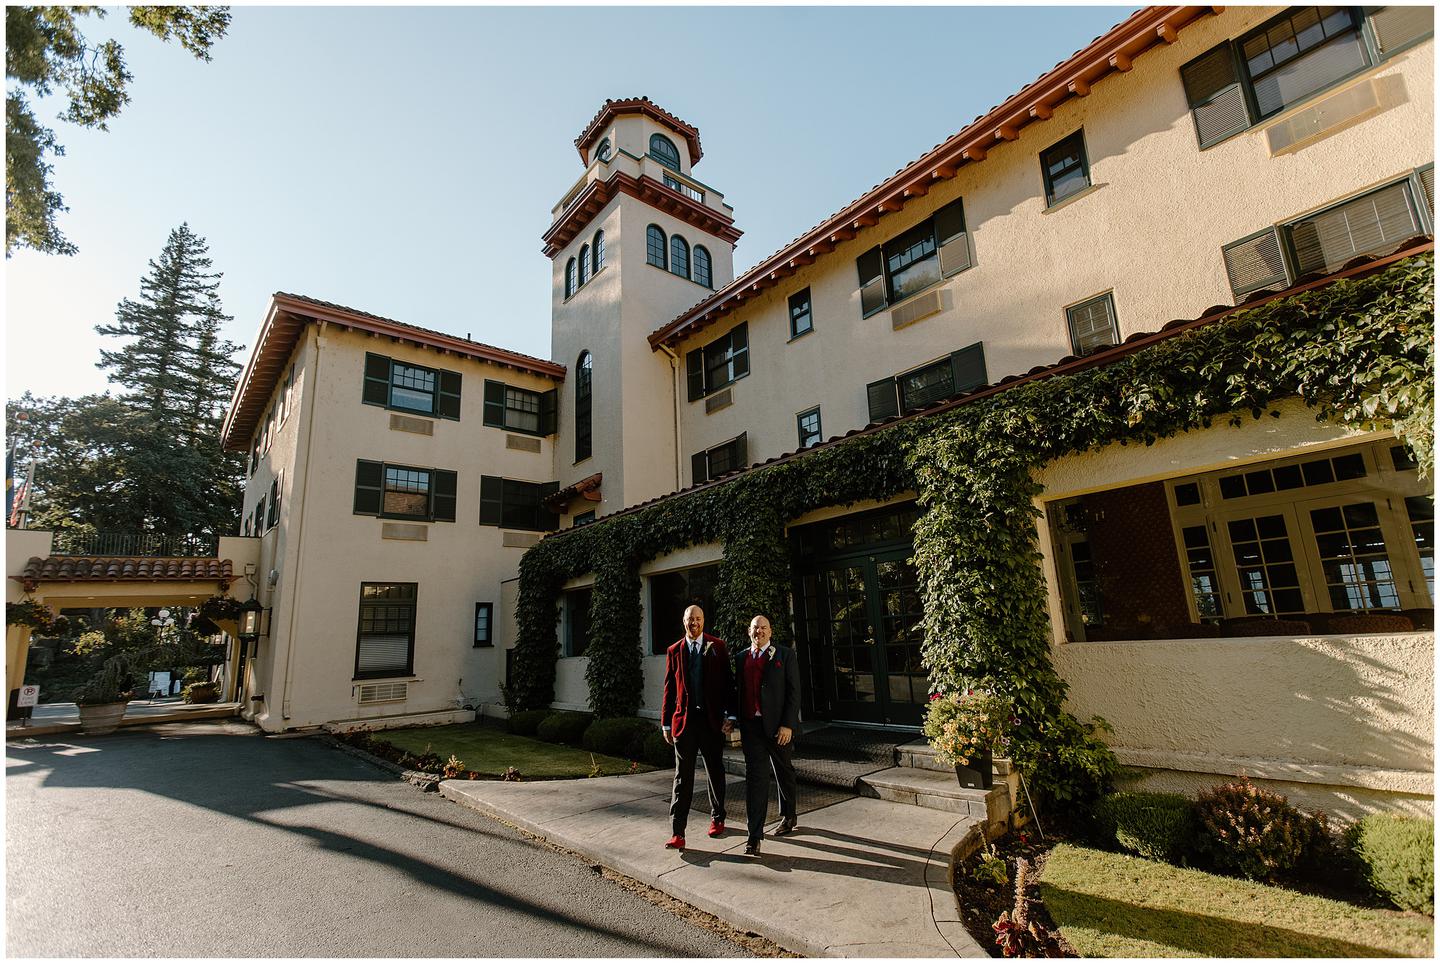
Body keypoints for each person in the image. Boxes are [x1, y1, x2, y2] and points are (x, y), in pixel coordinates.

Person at [660, 605, 735, 851]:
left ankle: (718, 817)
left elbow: (728, 685)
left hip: (712, 722)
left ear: (704, 621)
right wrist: (666, 723)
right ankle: (677, 832)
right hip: (685, 724)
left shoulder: (718, 647)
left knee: (715, 771)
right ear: (683, 622)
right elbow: (669, 689)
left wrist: (730, 716)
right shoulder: (674, 651)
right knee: (683, 776)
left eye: (698, 618)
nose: (694, 622)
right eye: (690, 619)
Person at [733, 614, 801, 858]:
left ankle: (789, 814)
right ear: (749, 631)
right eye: (754, 628)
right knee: (756, 780)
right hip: (752, 728)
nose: (758, 631)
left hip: (778, 728)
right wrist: (732, 718)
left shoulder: (785, 655)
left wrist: (788, 725)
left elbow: (794, 693)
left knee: (784, 770)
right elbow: (738, 691)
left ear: (770, 632)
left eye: (763, 628)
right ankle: (754, 837)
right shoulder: (741, 658)